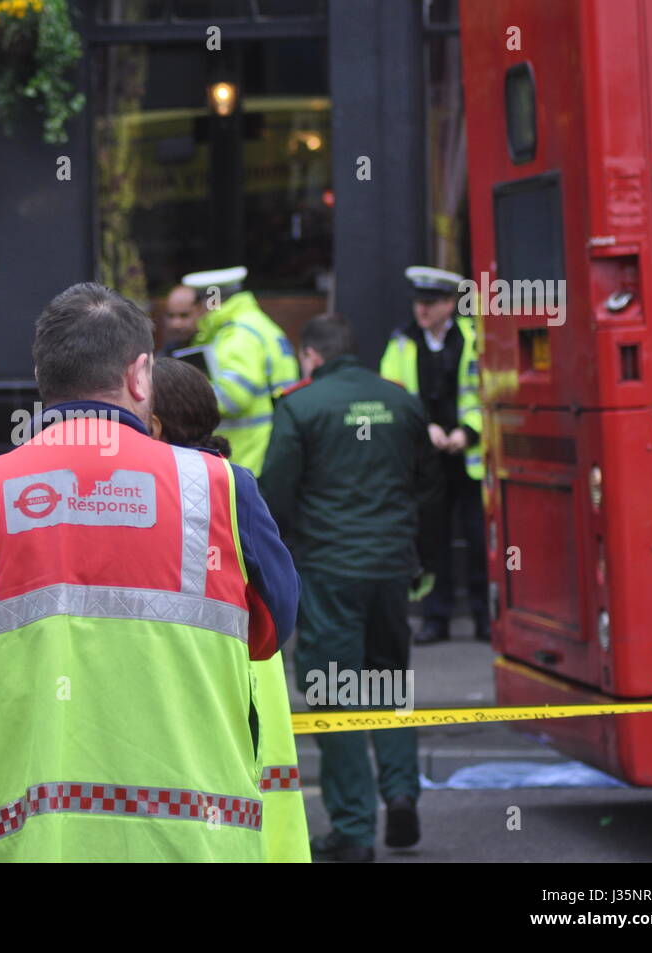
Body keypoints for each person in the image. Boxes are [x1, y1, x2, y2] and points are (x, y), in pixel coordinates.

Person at [0, 282, 300, 862]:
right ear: (140, 375)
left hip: (16, 840)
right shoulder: (222, 491)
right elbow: (269, 631)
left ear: (42, 375)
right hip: (189, 840)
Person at [260, 313, 442, 862]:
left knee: (335, 695)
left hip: (330, 570)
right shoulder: (401, 401)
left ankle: (355, 829)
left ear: (311, 356)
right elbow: (429, 486)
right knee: (386, 684)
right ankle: (402, 792)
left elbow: (277, 497)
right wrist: (418, 558)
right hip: (391, 567)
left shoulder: (301, 405)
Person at [151, 357, 310, 863]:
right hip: (240, 688)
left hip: (219, 694)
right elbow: (280, 602)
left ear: (154, 424)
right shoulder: (229, 482)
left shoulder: (211, 486)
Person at [380, 266, 488, 644]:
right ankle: (435, 619)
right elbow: (392, 398)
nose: (421, 311)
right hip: (426, 462)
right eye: (417, 303)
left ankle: (484, 618)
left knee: (479, 540)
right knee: (431, 542)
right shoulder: (401, 344)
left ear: (449, 304)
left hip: (470, 458)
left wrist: (468, 432)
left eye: (429, 304)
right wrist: (425, 427)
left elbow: (489, 394)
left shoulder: (474, 338)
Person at [175, 267, 299, 475]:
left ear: (209, 301)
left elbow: (233, 397)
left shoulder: (237, 336)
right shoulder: (258, 324)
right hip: (268, 452)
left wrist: (185, 394)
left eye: (194, 304)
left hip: (247, 456)